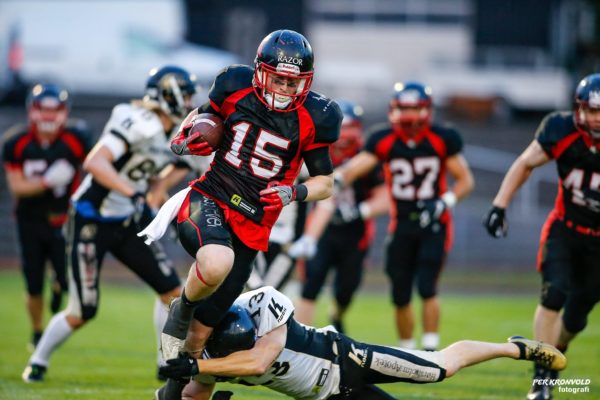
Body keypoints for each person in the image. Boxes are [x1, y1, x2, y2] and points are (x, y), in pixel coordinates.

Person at [141, 30, 342, 367]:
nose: (284, 89)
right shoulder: (235, 84)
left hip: (254, 223)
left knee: (199, 339)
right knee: (217, 261)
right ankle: (184, 306)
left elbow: (326, 183)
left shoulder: (317, 116)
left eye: (293, 83)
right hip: (211, 196)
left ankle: (174, 392)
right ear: (261, 70)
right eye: (278, 79)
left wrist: (295, 192)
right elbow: (205, 116)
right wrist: (185, 135)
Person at [22, 65, 198, 383]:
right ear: (169, 93)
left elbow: (177, 167)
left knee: (171, 292)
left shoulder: (176, 130)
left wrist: (158, 189)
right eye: (184, 94)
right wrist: (133, 191)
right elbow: (95, 161)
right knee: (82, 310)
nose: (188, 102)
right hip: (92, 219)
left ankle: (164, 362)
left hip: (127, 219)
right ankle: (38, 360)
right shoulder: (136, 119)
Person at [155, 285, 566, 400]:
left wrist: (198, 368)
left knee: (439, 369)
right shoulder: (203, 352)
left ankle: (514, 347)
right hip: (327, 396)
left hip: (345, 359)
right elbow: (196, 394)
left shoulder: (263, 304)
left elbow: (259, 362)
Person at [483, 73, 600, 400]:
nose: (596, 118)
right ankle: (542, 380)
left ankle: (557, 347)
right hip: (565, 227)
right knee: (553, 294)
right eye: (591, 110)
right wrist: (499, 205)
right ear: (578, 109)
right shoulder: (561, 130)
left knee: (576, 317)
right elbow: (525, 163)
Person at [335, 82, 474, 351]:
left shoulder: (441, 138)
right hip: (401, 226)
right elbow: (350, 171)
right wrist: (328, 184)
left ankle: (431, 350)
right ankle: (408, 350)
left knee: (427, 287)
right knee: (400, 294)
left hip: (434, 224)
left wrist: (445, 201)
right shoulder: (384, 140)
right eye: (404, 108)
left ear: (426, 111)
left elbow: (466, 181)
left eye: (414, 108)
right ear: (393, 110)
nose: (409, 116)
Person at [2, 83, 92, 351]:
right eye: (44, 110)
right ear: (33, 111)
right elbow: (16, 186)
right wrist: (47, 182)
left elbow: (97, 167)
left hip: (66, 218)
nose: (50, 117)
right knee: (32, 283)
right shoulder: (16, 142)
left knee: (66, 279)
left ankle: (58, 286)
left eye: (56, 110)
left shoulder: (77, 137)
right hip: (29, 220)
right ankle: (38, 330)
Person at [291, 100, 389, 333]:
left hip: (355, 232)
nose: (345, 134)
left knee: (346, 289)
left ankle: (336, 314)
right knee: (310, 285)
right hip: (319, 229)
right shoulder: (316, 149)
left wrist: (359, 211)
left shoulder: (366, 156)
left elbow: (385, 195)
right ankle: (303, 340)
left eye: (351, 126)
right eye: (342, 126)